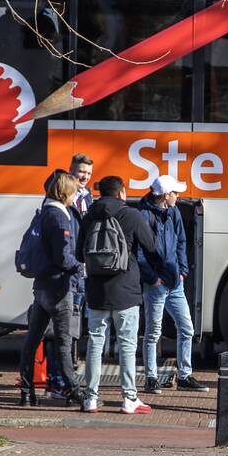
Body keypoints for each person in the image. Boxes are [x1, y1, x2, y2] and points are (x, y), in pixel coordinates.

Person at [75, 175, 158, 415]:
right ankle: (129, 399)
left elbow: (81, 255)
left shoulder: (89, 215)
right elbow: (151, 246)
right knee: (127, 345)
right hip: (126, 290)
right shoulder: (131, 215)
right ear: (122, 192)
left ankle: (90, 398)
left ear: (101, 192)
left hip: (97, 291)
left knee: (95, 343)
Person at [17, 172, 85, 407]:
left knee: (32, 340)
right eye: (74, 192)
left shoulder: (46, 211)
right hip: (59, 288)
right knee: (64, 343)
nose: (76, 196)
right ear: (66, 193)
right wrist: (80, 268)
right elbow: (63, 257)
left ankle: (27, 393)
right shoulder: (59, 217)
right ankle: (75, 391)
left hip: (42, 287)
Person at [138, 174, 208, 394]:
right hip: (157, 282)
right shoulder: (144, 215)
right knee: (153, 332)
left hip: (173, 280)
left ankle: (184, 375)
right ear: (166, 195)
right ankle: (151, 377)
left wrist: (182, 271)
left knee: (186, 328)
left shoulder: (173, 212)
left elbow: (181, 241)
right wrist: (153, 278)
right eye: (175, 192)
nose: (178, 196)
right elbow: (139, 252)